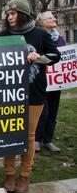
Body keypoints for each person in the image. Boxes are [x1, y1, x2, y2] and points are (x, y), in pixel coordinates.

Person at [0, 0, 60, 193]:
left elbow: (55, 56)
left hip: (34, 93)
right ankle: (9, 173)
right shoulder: (3, 35)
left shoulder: (40, 35)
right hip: (9, 93)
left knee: (29, 136)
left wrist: (39, 58)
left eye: (13, 13)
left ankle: (24, 176)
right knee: (9, 133)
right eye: (8, 14)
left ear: (24, 15)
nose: (9, 17)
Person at [35, 11, 66, 153]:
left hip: (57, 81)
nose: (54, 19)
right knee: (42, 112)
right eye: (50, 18)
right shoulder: (37, 36)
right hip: (42, 80)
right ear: (41, 22)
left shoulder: (59, 38)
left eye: (53, 17)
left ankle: (48, 140)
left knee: (53, 112)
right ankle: (36, 139)